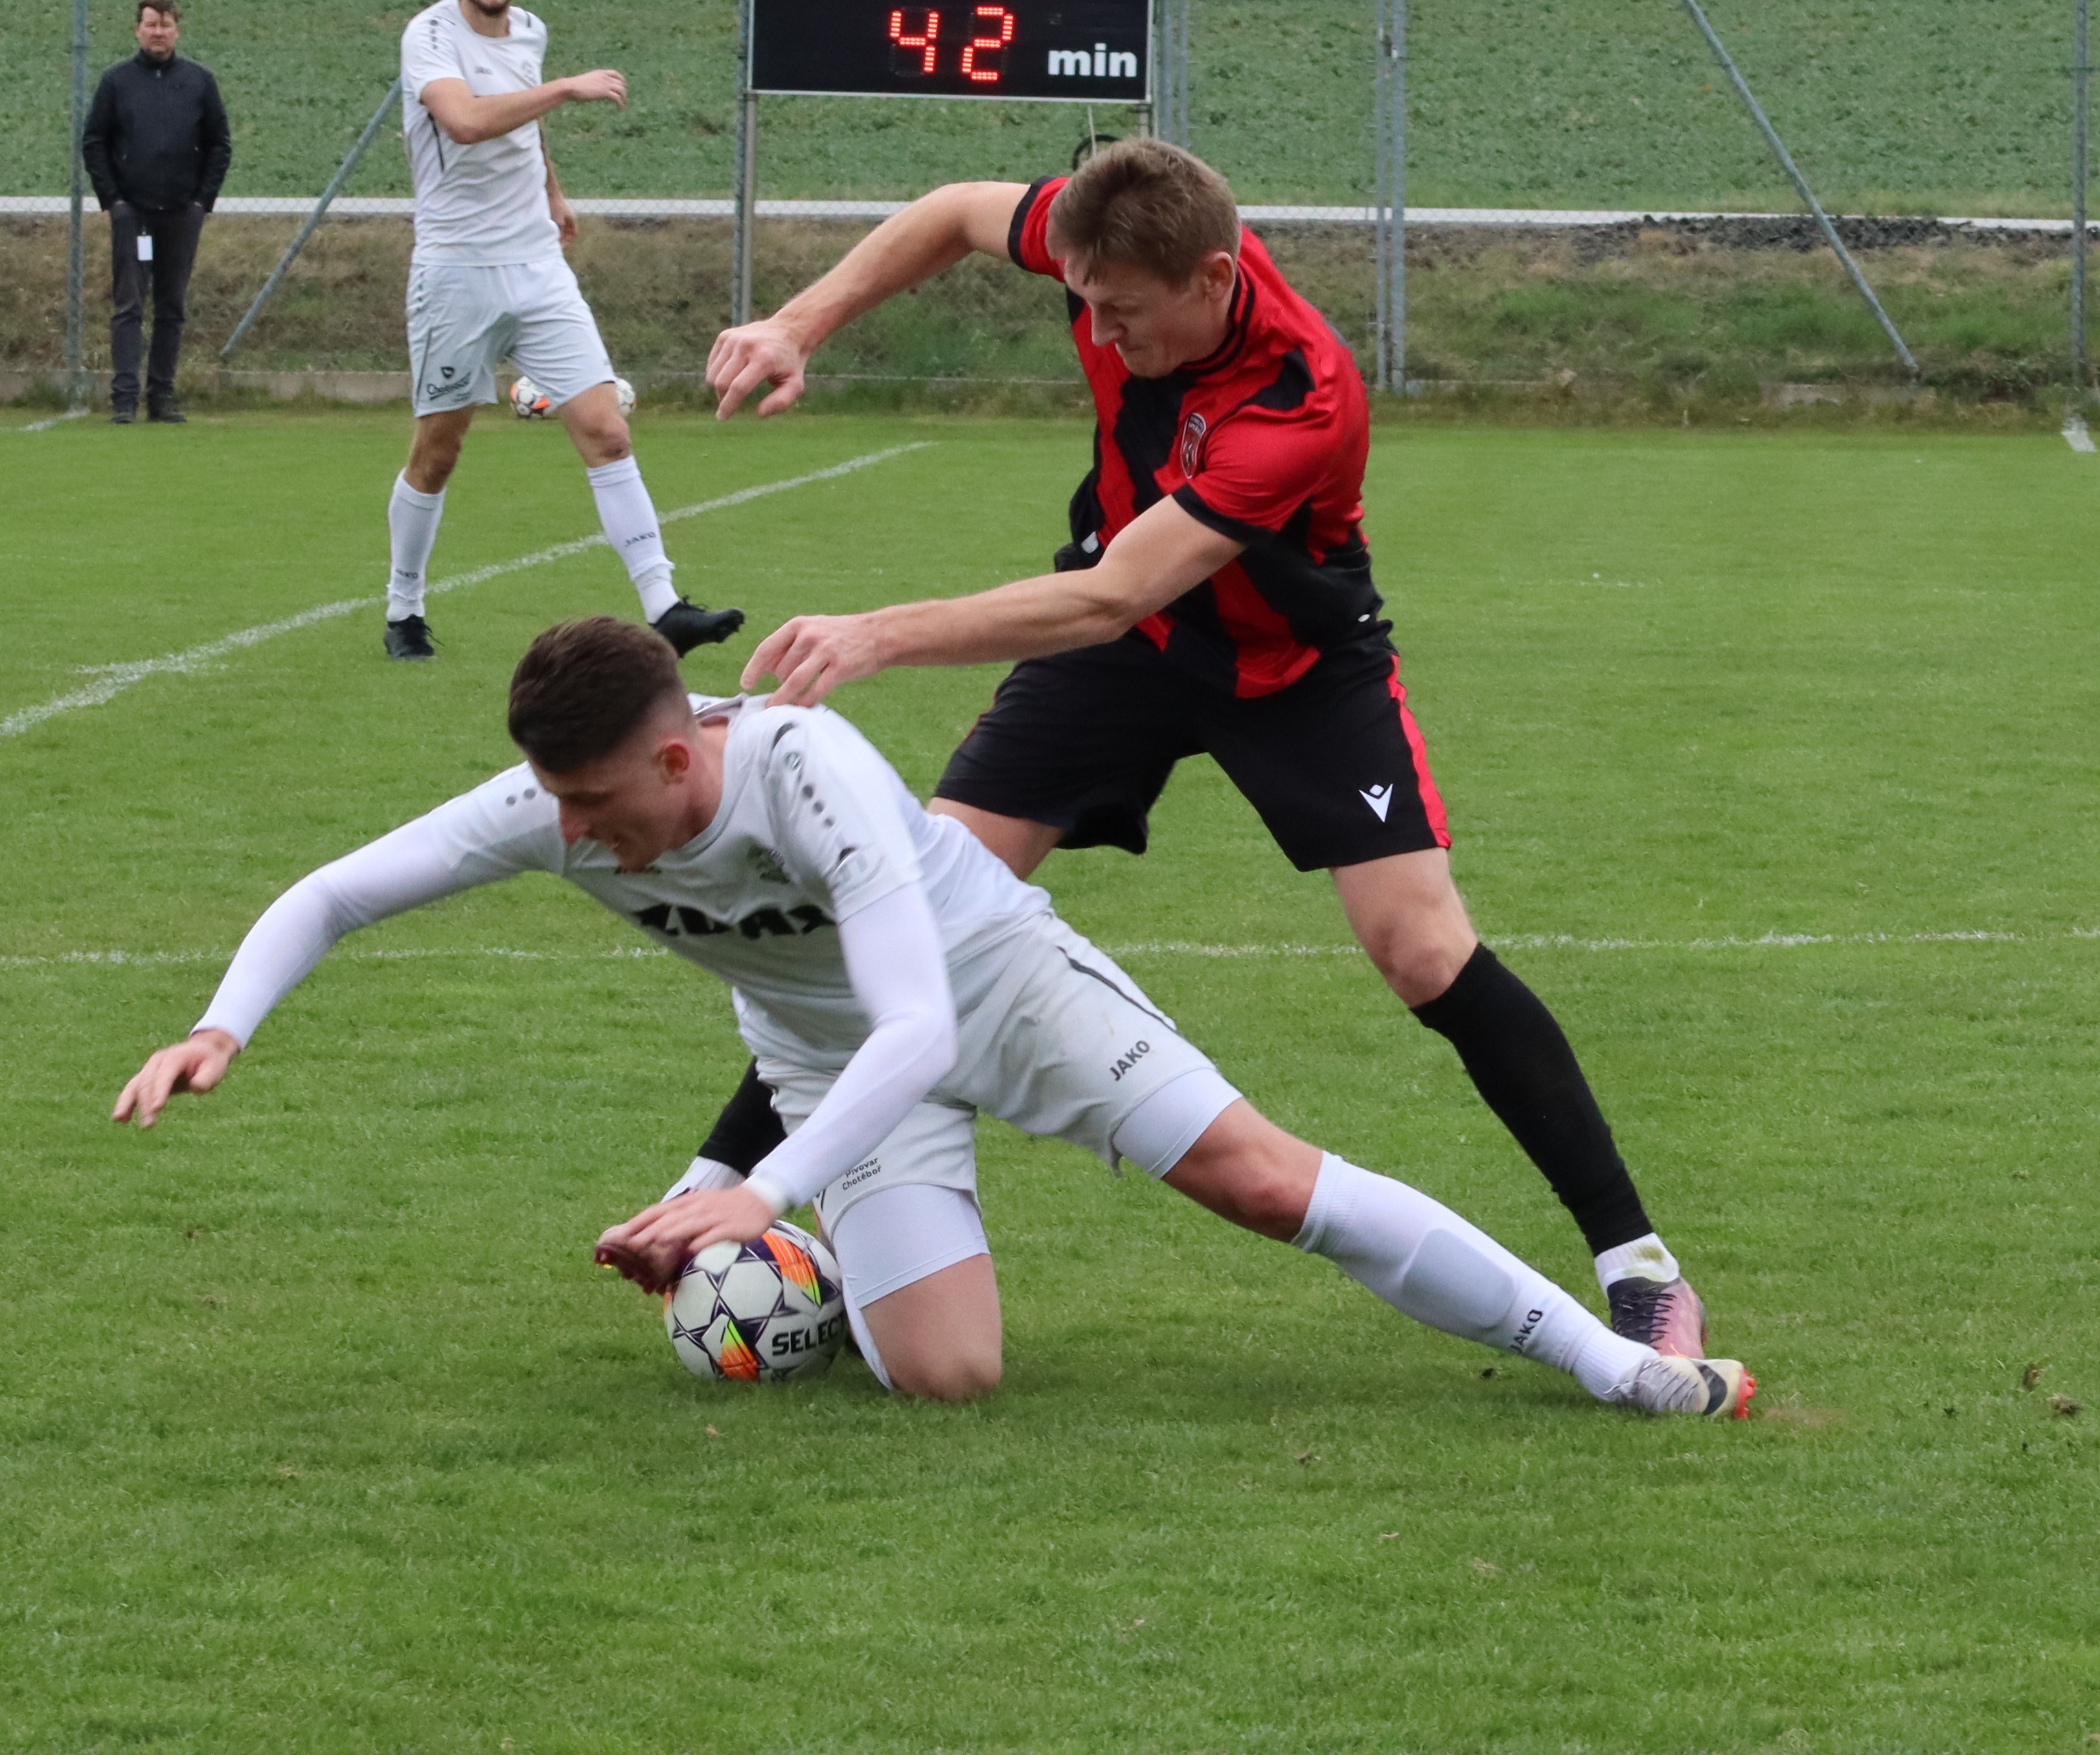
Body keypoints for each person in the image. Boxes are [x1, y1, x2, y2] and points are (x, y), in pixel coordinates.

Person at [109, 617, 1753, 1420]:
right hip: (837, 1066)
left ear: (681, 753)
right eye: (558, 804)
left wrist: (749, 1186)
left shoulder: (809, 766)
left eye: (600, 801)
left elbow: (915, 1021)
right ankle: (803, 1278)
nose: (576, 834)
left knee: (1259, 1180)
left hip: (996, 991)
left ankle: (1612, 1363)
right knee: (950, 1378)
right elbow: (331, 890)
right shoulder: (554, 802)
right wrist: (220, 1025)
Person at [699, 141, 1714, 1357]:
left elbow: (1112, 595)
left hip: (1288, 668)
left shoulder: (1298, 393)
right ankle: (707, 1194)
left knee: (1421, 948)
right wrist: (798, 323)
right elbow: (956, 209)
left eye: (1123, 311)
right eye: (1084, 301)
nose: (1100, 331)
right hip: (1123, 648)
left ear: (1213, 278)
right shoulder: (1111, 241)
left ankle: (1639, 1266)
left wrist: (876, 633)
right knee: (906, 905)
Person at [382, 0, 737, 662]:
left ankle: (665, 605)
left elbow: (524, 124)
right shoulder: (429, 35)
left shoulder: (530, 31)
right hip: (457, 271)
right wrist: (567, 88)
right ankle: (403, 606)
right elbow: (466, 120)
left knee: (607, 430)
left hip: (540, 268)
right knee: (438, 452)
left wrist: (552, 189)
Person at [83, 0, 233, 424]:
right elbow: (94, 142)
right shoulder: (117, 82)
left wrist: (201, 202)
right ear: (138, 30)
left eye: (165, 25)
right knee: (129, 305)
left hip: (181, 214)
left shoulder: (199, 82)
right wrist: (114, 201)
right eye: (150, 25)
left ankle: (161, 397)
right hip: (134, 215)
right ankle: (124, 399)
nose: (158, 32)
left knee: (171, 307)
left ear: (176, 31)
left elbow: (220, 145)